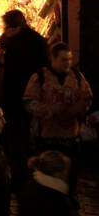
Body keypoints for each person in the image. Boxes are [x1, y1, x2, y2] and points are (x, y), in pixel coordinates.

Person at [23, 41, 92, 195]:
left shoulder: (77, 77)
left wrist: (79, 108)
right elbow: (28, 102)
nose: (67, 63)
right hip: (46, 137)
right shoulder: (40, 77)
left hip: (70, 138)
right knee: (46, 176)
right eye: (63, 59)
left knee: (70, 175)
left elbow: (88, 97)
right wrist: (49, 110)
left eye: (69, 59)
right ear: (53, 59)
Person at [0, 8, 48, 190]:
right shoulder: (38, 40)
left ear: (15, 27)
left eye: (7, 27)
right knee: (27, 136)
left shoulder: (14, 42)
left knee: (16, 137)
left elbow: (1, 45)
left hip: (15, 96)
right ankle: (30, 174)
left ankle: (18, 177)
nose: (5, 30)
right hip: (32, 96)